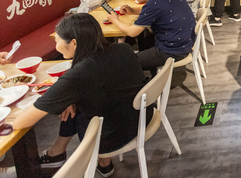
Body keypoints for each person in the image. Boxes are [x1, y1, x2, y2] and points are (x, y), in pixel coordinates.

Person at [13, 14, 152, 177]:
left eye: (57, 41)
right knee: (74, 103)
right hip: (142, 118)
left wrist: (69, 97)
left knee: (75, 109)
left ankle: (90, 158)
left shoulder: (77, 76)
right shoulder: (123, 49)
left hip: (113, 136)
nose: (56, 45)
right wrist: (71, 99)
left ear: (74, 43)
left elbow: (20, 123)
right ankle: (61, 153)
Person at [106, 0, 194, 72]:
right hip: (186, 42)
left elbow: (132, 32)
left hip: (172, 51)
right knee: (145, 39)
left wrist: (115, 20)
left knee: (125, 62)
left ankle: (143, 83)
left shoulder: (153, 4)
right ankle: (151, 73)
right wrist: (133, 11)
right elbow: (157, 10)